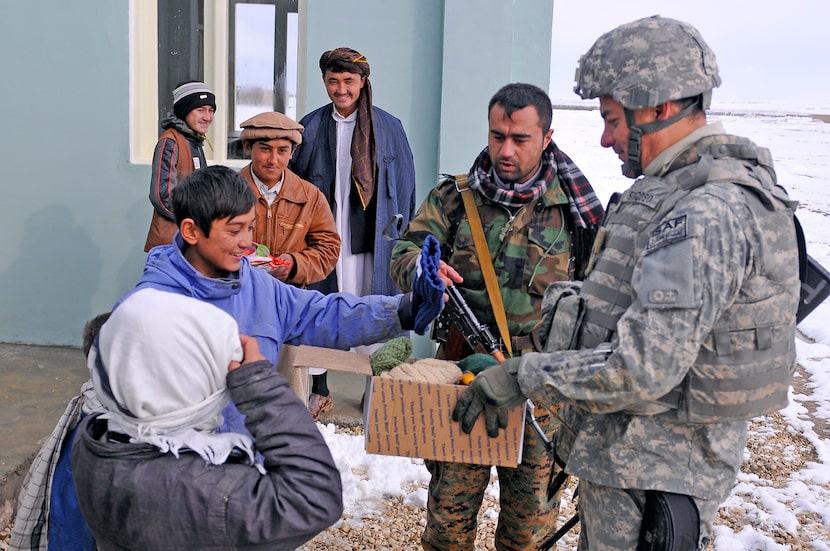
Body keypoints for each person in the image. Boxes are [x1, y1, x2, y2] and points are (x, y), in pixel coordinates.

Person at [453, 16, 800, 550]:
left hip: (654, 475)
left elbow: (642, 367)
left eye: (613, 119)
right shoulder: (672, 191)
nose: (605, 137)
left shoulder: (706, 212)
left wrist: (522, 375)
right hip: (630, 465)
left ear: (656, 107)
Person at [390, 83, 604, 550]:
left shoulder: (577, 210)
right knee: (448, 524)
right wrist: (424, 272)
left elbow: (602, 298)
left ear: (547, 137)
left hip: (541, 388)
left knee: (528, 531)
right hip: (466, 378)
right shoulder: (455, 197)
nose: (505, 150)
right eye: (496, 136)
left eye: (520, 139)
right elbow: (405, 250)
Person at [130, 164, 444, 438]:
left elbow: (325, 314)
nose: (247, 243)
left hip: (249, 469)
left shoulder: (257, 286)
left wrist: (404, 309)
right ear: (191, 231)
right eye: (234, 230)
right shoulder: (150, 306)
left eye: (250, 227)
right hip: (180, 475)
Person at [71, 288, 343, 550]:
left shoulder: (96, 437)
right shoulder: (211, 493)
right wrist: (258, 383)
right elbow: (317, 497)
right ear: (183, 389)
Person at [288, 47, 417, 418]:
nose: (341, 89)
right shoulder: (310, 127)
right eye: (333, 81)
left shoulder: (389, 126)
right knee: (322, 306)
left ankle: (373, 391)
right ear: (324, 82)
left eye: (348, 81)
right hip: (328, 236)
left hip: (373, 238)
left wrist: (403, 238)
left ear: (363, 82)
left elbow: (406, 187)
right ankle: (321, 388)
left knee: (373, 302)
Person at [238, 111, 340, 287]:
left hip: (291, 299)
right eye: (265, 149)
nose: (273, 159)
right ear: (248, 147)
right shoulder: (227, 192)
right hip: (239, 293)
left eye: (282, 150)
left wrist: (295, 264)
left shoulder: (311, 197)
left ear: (292, 152)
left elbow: (328, 249)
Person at [144, 81, 216, 252]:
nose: (207, 117)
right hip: (171, 244)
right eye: (200, 110)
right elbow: (162, 196)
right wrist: (195, 221)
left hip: (191, 240)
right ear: (184, 111)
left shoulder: (194, 140)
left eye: (211, 110)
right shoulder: (171, 141)